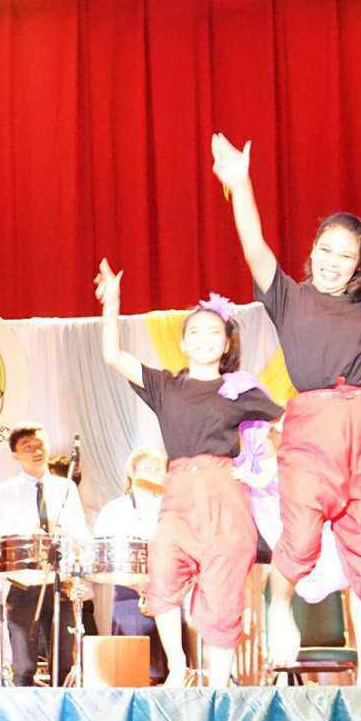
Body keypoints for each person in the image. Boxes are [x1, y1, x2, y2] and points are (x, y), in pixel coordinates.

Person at [209, 131, 361, 682]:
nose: (332, 263)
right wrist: (240, 184)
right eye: (325, 250)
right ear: (311, 252)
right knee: (301, 535)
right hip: (311, 427)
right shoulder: (289, 297)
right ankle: (280, 605)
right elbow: (255, 248)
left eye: (345, 256)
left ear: (359, 266)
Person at [95, 264, 285, 685]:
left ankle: (218, 686)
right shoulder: (167, 387)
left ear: (227, 343)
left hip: (225, 496)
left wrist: (265, 469)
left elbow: (284, 424)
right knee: (162, 576)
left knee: (223, 591)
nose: (203, 338)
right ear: (182, 342)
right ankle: (178, 668)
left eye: (213, 332)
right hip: (179, 495)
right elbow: (113, 357)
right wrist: (112, 305)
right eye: (194, 332)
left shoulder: (240, 390)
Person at [0, 426, 92, 685]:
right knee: (24, 665)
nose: (36, 451)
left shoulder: (66, 487)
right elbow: (4, 533)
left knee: (64, 662)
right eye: (28, 447)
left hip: (60, 580)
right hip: (24, 583)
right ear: (15, 454)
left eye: (40, 445)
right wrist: (30, 530)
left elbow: (80, 531)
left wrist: (78, 564)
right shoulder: (6, 490)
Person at [92, 446, 166, 681]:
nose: (153, 472)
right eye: (147, 467)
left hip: (167, 594)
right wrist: (137, 585)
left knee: (166, 670)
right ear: (131, 472)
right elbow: (102, 556)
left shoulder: (171, 508)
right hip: (129, 595)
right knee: (130, 670)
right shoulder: (114, 509)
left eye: (158, 468)